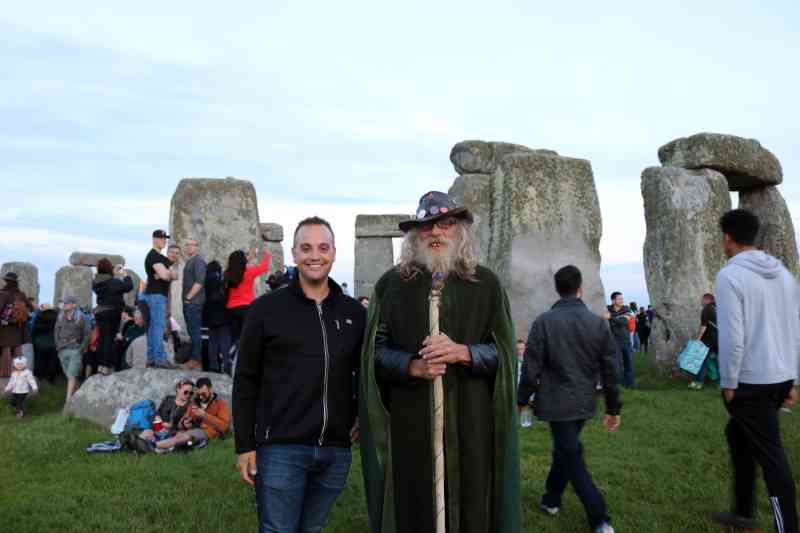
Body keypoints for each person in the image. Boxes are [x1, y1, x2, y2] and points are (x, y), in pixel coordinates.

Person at [360, 191, 520, 533]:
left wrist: (465, 352)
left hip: (472, 421)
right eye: (427, 226)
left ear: (460, 230)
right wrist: (411, 366)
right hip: (412, 422)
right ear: (415, 235)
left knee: (473, 504)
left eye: (445, 224)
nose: (435, 232)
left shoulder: (486, 284)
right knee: (414, 504)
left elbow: (505, 354)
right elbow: (374, 354)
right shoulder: (392, 286)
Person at [234, 216, 365, 533]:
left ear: (334, 253)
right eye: (306, 248)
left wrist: (362, 413)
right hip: (281, 447)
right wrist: (244, 445)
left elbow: (364, 371)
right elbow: (246, 379)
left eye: (323, 248)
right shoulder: (266, 309)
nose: (315, 256)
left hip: (336, 449)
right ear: (294, 253)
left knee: (312, 529)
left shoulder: (354, 313)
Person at [712, 209, 799, 533]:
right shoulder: (783, 273)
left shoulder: (730, 276)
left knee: (771, 456)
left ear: (727, 238)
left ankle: (787, 527)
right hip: (780, 376)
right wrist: (793, 379)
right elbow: (796, 328)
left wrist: (729, 381)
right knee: (737, 434)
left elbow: (733, 337)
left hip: (751, 380)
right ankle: (743, 512)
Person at [518, 265, 621, 533]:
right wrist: (612, 407)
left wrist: (522, 398)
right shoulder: (597, 323)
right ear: (580, 288)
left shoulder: (544, 322)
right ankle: (551, 499)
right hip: (584, 400)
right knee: (566, 449)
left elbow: (530, 368)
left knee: (570, 454)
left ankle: (599, 518)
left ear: (557, 289)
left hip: (556, 401)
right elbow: (611, 370)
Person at [154, 376, 231, 451]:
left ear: (210, 390)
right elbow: (182, 423)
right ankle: (168, 447)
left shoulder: (220, 403)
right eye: (198, 394)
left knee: (184, 437)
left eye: (203, 394)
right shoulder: (194, 402)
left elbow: (224, 426)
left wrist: (205, 415)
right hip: (189, 431)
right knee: (179, 435)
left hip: (206, 432)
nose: (201, 397)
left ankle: (154, 445)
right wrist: (184, 423)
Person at [141, 229, 177, 369]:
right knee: (158, 327)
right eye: (161, 238)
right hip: (155, 295)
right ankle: (160, 358)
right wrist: (167, 273)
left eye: (165, 239)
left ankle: (151, 358)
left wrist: (167, 272)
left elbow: (174, 274)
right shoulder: (153, 256)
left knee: (153, 327)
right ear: (154, 239)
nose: (164, 241)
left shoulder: (160, 257)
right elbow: (165, 276)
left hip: (156, 294)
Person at [92, 259, 133, 375]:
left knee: (102, 339)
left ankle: (100, 365)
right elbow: (128, 286)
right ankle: (107, 366)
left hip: (100, 313)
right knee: (109, 340)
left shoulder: (96, 282)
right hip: (112, 313)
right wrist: (125, 275)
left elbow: (106, 281)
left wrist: (113, 273)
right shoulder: (114, 282)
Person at [225, 243, 272, 344]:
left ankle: (232, 353)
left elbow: (238, 264)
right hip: (246, 307)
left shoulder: (227, 273)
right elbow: (264, 267)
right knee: (246, 338)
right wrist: (267, 253)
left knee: (234, 338)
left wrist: (250, 257)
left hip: (231, 308)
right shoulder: (249, 272)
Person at [55, 295, 91, 403]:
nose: (64, 305)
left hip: (75, 349)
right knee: (70, 375)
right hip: (62, 348)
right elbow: (56, 331)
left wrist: (82, 347)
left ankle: (68, 401)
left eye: (67, 303)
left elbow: (87, 334)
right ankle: (78, 395)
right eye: (64, 303)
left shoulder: (82, 317)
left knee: (71, 375)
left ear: (74, 305)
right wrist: (58, 346)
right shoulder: (60, 316)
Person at [182, 238, 207, 370]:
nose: (189, 247)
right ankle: (194, 359)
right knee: (192, 332)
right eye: (187, 245)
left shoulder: (198, 261)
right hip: (189, 302)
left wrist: (188, 297)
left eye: (192, 245)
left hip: (194, 302)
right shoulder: (190, 261)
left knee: (195, 331)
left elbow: (200, 281)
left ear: (197, 247)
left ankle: (196, 360)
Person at [203, 260, 231, 374]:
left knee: (212, 341)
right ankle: (226, 365)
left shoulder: (205, 280)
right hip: (223, 313)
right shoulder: (222, 279)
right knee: (224, 340)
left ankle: (213, 366)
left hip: (210, 313)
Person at [0, 272, 30, 378]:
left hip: (6, 325)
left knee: (6, 348)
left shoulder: (3, 293)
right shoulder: (21, 294)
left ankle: (5, 373)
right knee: (18, 349)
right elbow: (30, 307)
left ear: (6, 281)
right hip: (19, 325)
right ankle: (21, 372)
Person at [605, 292, 635, 388]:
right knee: (617, 364)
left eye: (622, 299)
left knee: (629, 363)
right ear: (613, 300)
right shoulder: (607, 309)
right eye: (619, 299)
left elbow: (623, 321)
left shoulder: (627, 309)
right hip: (614, 341)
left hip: (626, 340)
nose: (622, 301)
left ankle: (630, 384)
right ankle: (620, 384)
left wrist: (611, 317)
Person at [689, 293, 718, 390]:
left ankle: (699, 382)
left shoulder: (706, 309)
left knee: (702, 360)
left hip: (708, 339)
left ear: (707, 300)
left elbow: (703, 327)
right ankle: (719, 382)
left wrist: (698, 339)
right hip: (720, 339)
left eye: (702, 300)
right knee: (718, 360)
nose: (701, 302)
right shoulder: (717, 308)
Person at [31, 303, 60, 382]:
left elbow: (34, 329)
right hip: (53, 342)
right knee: (52, 361)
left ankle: (39, 376)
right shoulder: (57, 317)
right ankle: (51, 378)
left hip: (40, 342)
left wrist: (33, 340)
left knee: (40, 360)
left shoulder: (39, 316)